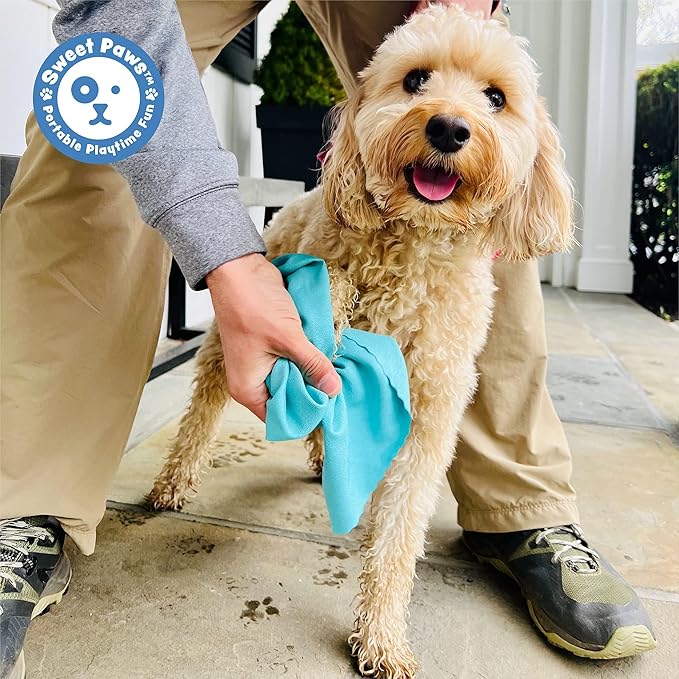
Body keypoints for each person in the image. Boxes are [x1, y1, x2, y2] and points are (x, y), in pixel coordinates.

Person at [0, 1, 655, 677]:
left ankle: (519, 503)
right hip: (302, 219)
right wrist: (227, 258)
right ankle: (31, 498)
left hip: (457, 278)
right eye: (418, 85)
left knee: (468, 49)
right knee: (95, 100)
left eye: (489, 99)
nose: (448, 116)